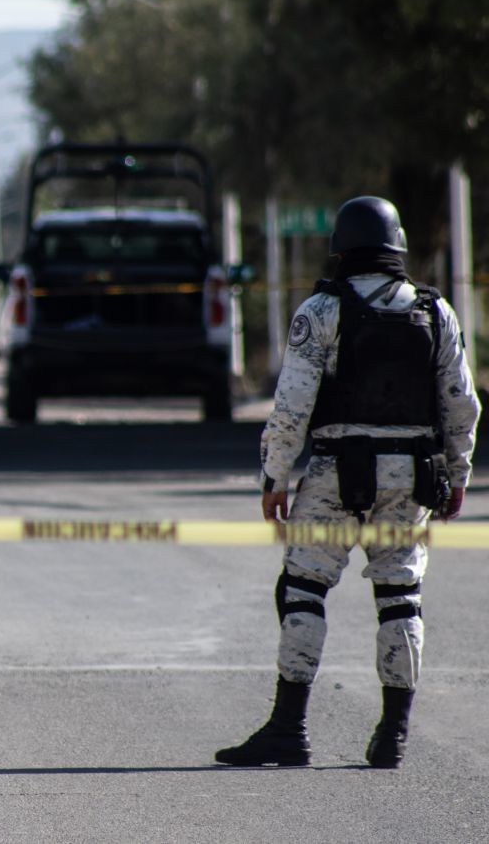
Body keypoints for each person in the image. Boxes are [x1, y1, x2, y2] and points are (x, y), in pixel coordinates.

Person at [215, 196, 480, 769]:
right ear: (398, 247)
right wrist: (457, 475)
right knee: (400, 600)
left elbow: (291, 407)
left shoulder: (322, 310)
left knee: (303, 590)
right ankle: (394, 736)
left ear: (342, 246)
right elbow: (461, 405)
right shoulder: (437, 313)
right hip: (411, 479)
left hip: (337, 473)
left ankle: (289, 730)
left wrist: (275, 478)